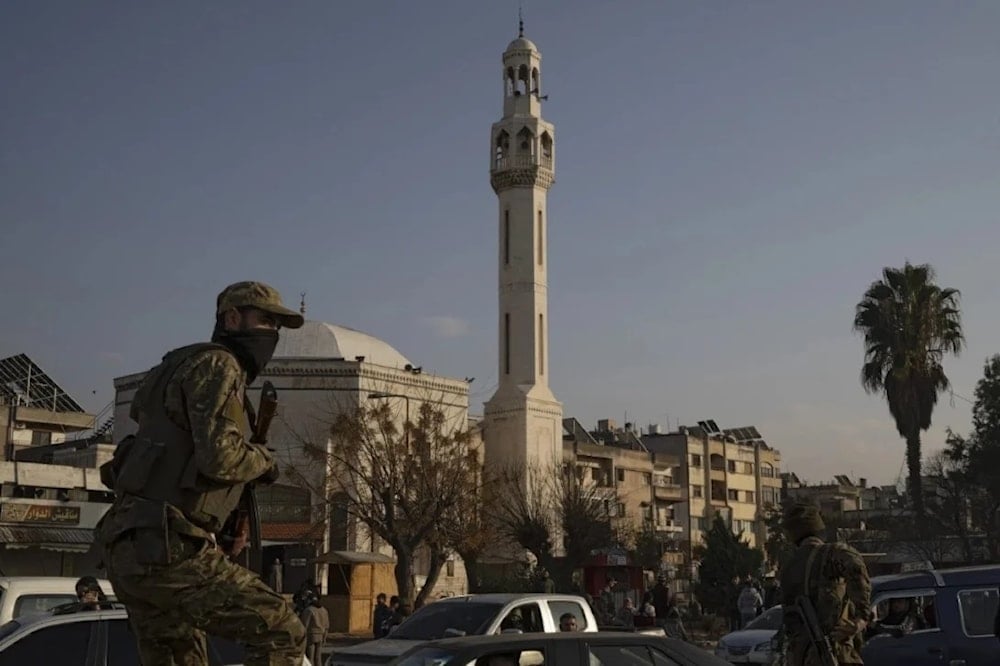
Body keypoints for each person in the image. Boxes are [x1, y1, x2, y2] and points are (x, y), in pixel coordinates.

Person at [95, 281, 307, 666]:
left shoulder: (173, 367)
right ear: (232, 318)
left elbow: (165, 454)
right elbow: (220, 459)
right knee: (281, 629)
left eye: (277, 325)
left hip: (129, 546)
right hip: (166, 547)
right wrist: (264, 461)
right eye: (265, 321)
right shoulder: (219, 363)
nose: (272, 333)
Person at [780, 500, 871, 666]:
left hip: (800, 655)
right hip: (833, 651)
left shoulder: (788, 567)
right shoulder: (831, 553)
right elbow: (856, 566)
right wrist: (861, 618)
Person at [299, 590, 329, 666]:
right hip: (321, 635)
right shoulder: (324, 610)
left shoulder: (309, 610)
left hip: (311, 635)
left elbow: (304, 625)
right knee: (318, 658)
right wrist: (324, 637)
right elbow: (327, 626)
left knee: (310, 658)